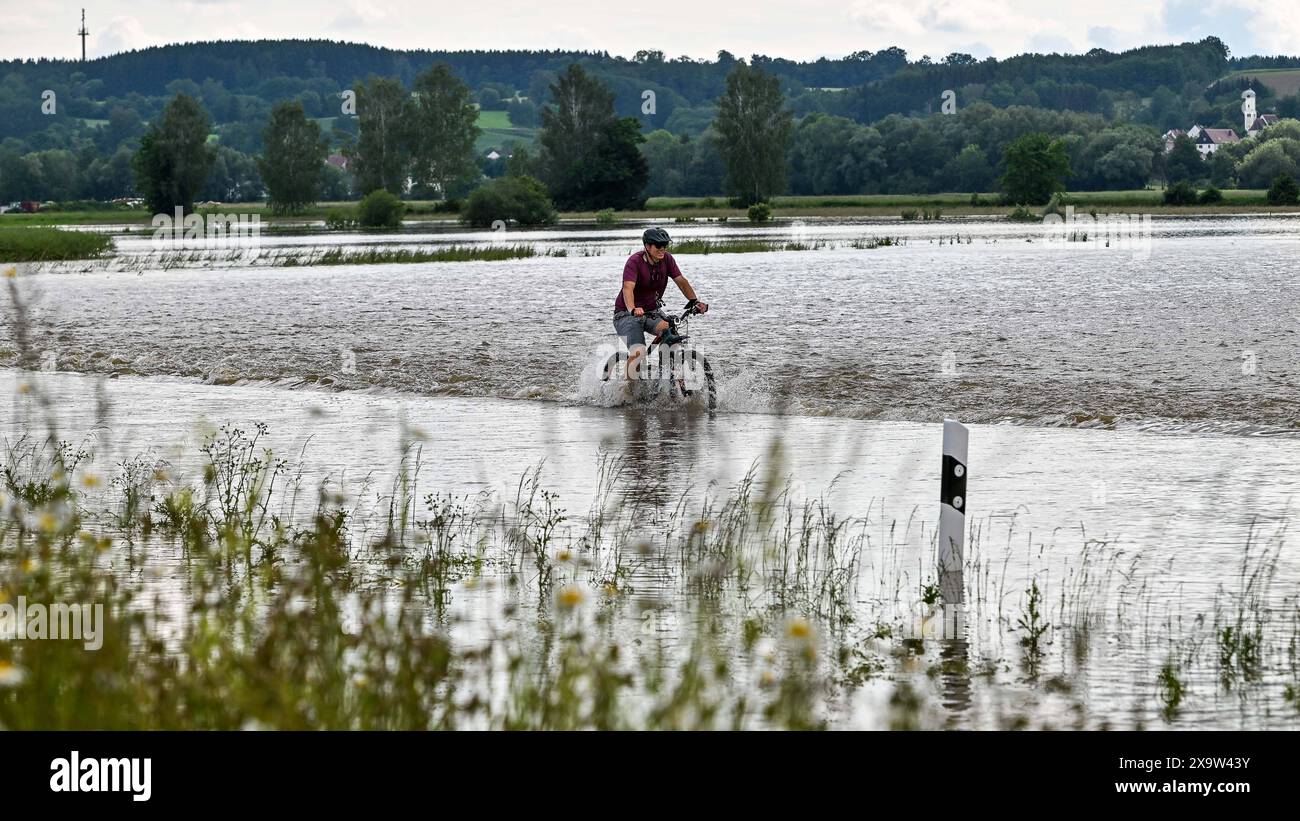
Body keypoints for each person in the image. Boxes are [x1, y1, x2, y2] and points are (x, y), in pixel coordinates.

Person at [613, 227, 708, 380]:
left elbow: (681, 282)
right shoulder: (634, 262)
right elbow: (627, 288)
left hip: (652, 312)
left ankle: (671, 381)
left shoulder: (667, 259)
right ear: (647, 247)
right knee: (638, 353)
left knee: (671, 335)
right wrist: (632, 309)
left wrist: (695, 302)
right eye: (658, 245)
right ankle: (627, 391)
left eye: (665, 245)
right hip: (626, 314)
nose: (662, 249)